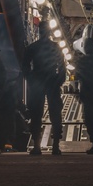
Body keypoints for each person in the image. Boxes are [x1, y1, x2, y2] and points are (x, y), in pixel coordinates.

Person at [22, 21, 66, 155]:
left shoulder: (33, 47)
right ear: (50, 31)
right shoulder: (55, 47)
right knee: (55, 115)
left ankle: (36, 146)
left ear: (39, 31)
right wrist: (59, 80)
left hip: (38, 82)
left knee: (36, 114)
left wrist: (30, 78)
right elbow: (62, 66)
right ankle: (56, 146)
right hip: (52, 81)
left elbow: (25, 66)